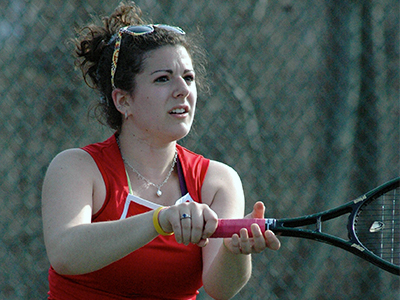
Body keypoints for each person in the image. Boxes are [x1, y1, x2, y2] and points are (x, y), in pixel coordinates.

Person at [41, 2, 281, 299]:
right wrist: (161, 220)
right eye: (162, 79)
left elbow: (221, 288)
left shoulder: (219, 180)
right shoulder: (76, 167)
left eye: (188, 77)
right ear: (123, 101)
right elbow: (66, 253)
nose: (182, 90)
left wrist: (235, 250)